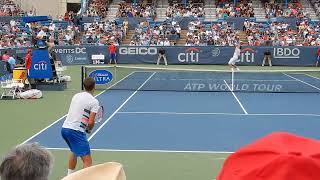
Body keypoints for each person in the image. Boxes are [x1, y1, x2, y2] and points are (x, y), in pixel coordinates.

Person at [61, 77, 100, 175]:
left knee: (74, 151)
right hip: (76, 131)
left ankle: (69, 176)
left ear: (84, 86)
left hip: (65, 129)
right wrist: (89, 129)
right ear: (94, 87)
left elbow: (79, 111)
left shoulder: (76, 96)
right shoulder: (94, 102)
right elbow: (90, 122)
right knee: (87, 161)